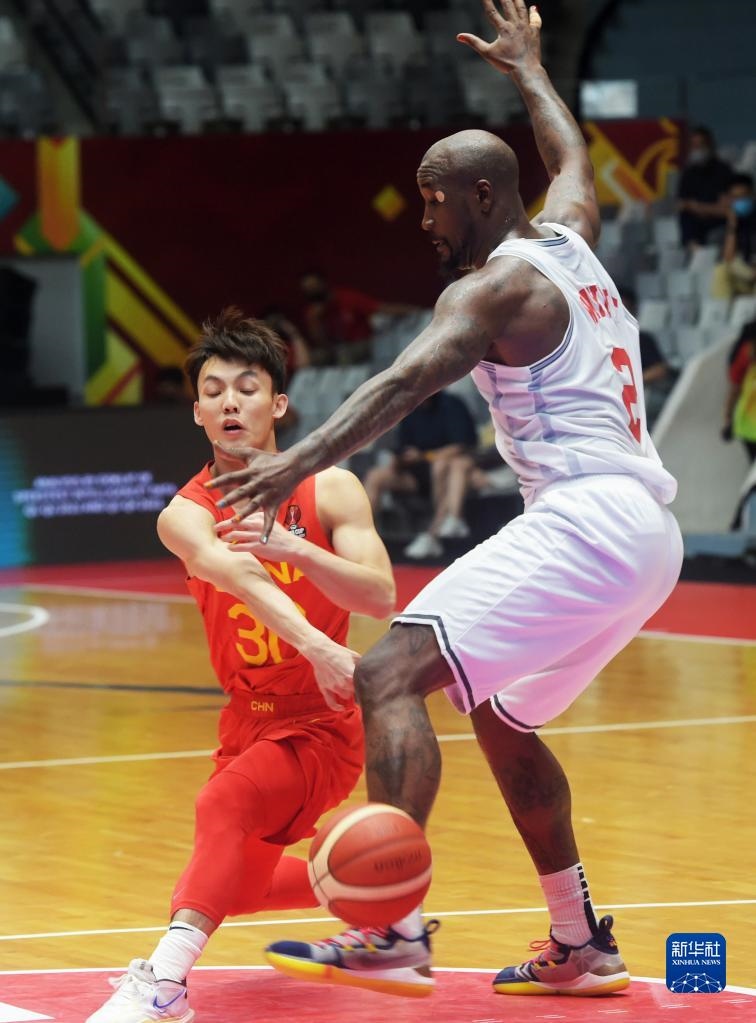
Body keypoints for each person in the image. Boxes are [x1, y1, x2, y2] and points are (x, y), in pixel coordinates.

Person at [209, 2, 682, 1000]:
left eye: (433, 201)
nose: (424, 220)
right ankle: (580, 942)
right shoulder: (571, 239)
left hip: (589, 521)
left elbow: (400, 386)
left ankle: (391, 930)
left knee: (386, 674)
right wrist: (530, 69)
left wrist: (296, 464)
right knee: (502, 715)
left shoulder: (494, 291)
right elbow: (572, 160)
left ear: (480, 195)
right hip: (647, 536)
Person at [86, 308, 395, 1023]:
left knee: (221, 806)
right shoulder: (184, 514)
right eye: (214, 390)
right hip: (247, 721)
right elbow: (238, 576)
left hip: (321, 722)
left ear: (278, 403)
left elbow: (379, 594)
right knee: (241, 886)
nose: (231, 402)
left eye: (247, 388)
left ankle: (164, 984)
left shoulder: (332, 489)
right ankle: (371, 884)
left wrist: (297, 549)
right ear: (197, 412)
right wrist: (318, 643)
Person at [363, 389, 479, 559]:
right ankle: (363, 537)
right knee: (375, 476)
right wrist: (400, 460)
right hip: (415, 474)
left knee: (441, 467)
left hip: (445, 470)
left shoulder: (451, 404)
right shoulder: (409, 410)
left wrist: (425, 456)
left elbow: (461, 445)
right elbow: (403, 447)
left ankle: (436, 531)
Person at [299, 269, 418, 365]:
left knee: (345, 356)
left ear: (323, 284)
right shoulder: (312, 313)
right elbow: (321, 343)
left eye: (315, 288)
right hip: (336, 348)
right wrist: (316, 321)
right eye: (309, 291)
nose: (314, 293)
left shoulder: (346, 298)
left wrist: (413, 310)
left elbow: (381, 308)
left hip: (362, 343)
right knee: (317, 358)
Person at [677, 126, 734, 250]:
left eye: (701, 145)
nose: (697, 149)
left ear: (710, 145)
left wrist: (698, 207)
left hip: (718, 222)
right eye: (694, 146)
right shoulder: (688, 174)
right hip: (696, 223)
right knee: (685, 217)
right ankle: (694, 251)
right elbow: (682, 204)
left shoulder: (723, 171)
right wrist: (696, 208)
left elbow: (725, 209)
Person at [710, 174, 756, 299]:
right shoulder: (726, 225)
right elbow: (728, 258)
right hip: (745, 274)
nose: (740, 201)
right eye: (736, 198)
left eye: (743, 196)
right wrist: (732, 226)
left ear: (752, 195)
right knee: (721, 270)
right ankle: (721, 309)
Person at [722, 319, 756, 462]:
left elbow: (734, 389)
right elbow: (734, 389)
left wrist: (728, 419)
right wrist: (728, 419)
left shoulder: (744, 354)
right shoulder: (745, 356)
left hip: (747, 425)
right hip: (747, 426)